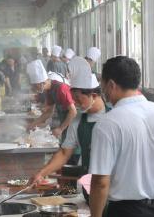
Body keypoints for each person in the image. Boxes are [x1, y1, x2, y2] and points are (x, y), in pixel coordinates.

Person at [89, 56, 154, 217]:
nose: (103, 92)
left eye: (103, 86)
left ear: (111, 85)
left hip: (127, 211)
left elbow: (101, 183)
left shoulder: (107, 124)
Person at [31, 57, 105, 203]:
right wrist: (41, 173)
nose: (75, 103)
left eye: (78, 98)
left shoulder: (113, 116)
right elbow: (64, 153)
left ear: (94, 96)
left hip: (115, 192)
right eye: (73, 98)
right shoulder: (78, 121)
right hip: (90, 189)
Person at [26, 60, 76, 139]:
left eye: (35, 86)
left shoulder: (61, 88)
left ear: (41, 83)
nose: (35, 89)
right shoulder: (49, 90)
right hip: (64, 119)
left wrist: (60, 129)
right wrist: (32, 125)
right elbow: (49, 112)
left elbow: (73, 111)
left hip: (73, 121)